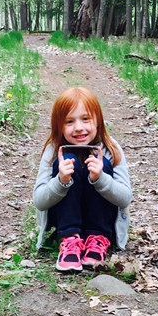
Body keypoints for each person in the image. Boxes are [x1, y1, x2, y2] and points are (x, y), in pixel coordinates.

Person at [33, 87, 132, 272]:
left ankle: (98, 237)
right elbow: (39, 200)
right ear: (59, 126)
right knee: (67, 163)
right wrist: (60, 181)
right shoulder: (54, 150)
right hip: (64, 218)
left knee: (102, 166)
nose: (79, 127)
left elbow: (125, 197)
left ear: (98, 121)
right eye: (69, 122)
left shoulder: (111, 149)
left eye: (85, 119)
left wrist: (101, 178)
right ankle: (69, 239)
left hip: (102, 217)